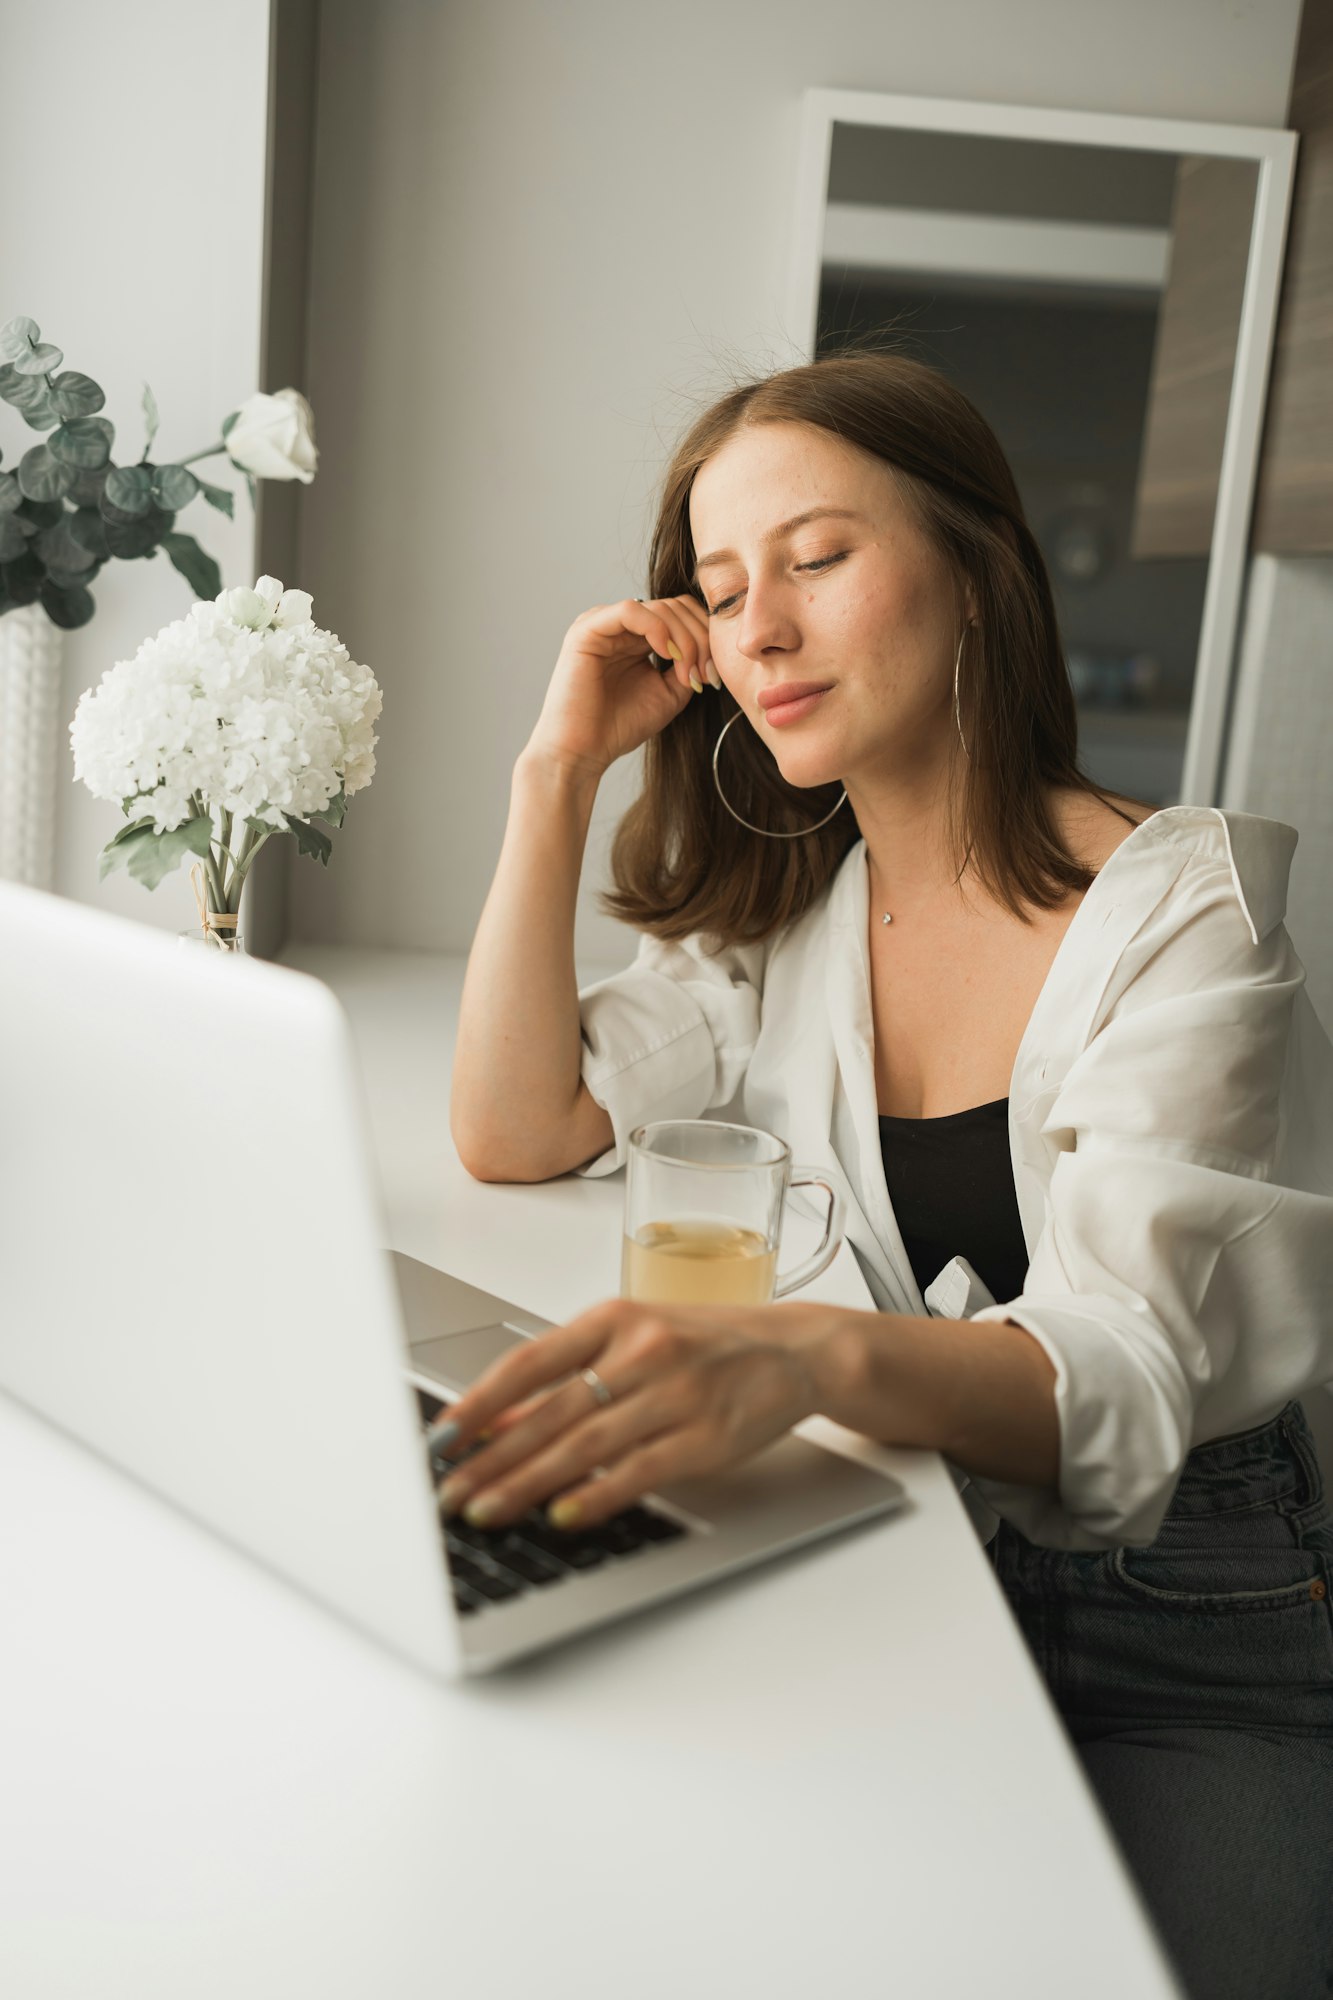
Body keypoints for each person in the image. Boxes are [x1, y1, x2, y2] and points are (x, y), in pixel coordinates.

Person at [446, 349, 1333, 2000]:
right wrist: (550, 774)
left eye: (818, 556)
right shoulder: (798, 913)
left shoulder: (1186, 910)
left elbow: (1125, 1360)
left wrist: (801, 1356)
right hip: (905, 1534)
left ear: (979, 574)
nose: (759, 628)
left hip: (1191, 1603)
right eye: (719, 592)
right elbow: (518, 1125)